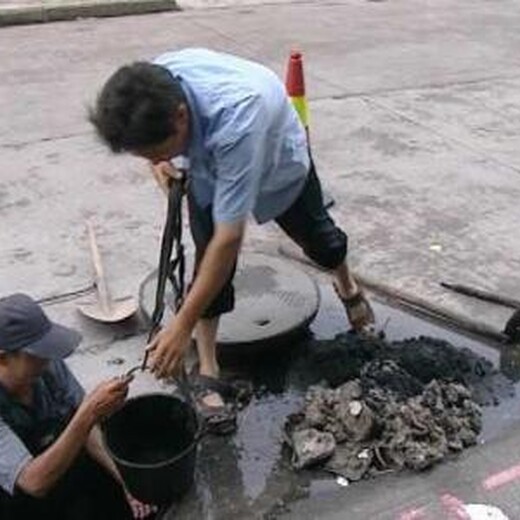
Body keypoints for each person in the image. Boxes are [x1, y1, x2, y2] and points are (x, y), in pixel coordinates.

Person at [89, 48, 375, 427]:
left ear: (180, 118)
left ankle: (348, 286)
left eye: (156, 150)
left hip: (276, 162)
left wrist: (180, 326)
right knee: (205, 257)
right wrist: (159, 161)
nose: (152, 160)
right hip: (209, 163)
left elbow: (230, 240)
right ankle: (209, 368)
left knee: (323, 242)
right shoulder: (153, 82)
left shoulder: (239, 117)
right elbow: (214, 249)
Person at [0, 293, 156, 519]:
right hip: (18, 487)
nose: (46, 360)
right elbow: (33, 483)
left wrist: (126, 482)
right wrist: (89, 412)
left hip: (52, 457)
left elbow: (84, 424)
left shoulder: (46, 364)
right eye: (35, 355)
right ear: (3, 358)